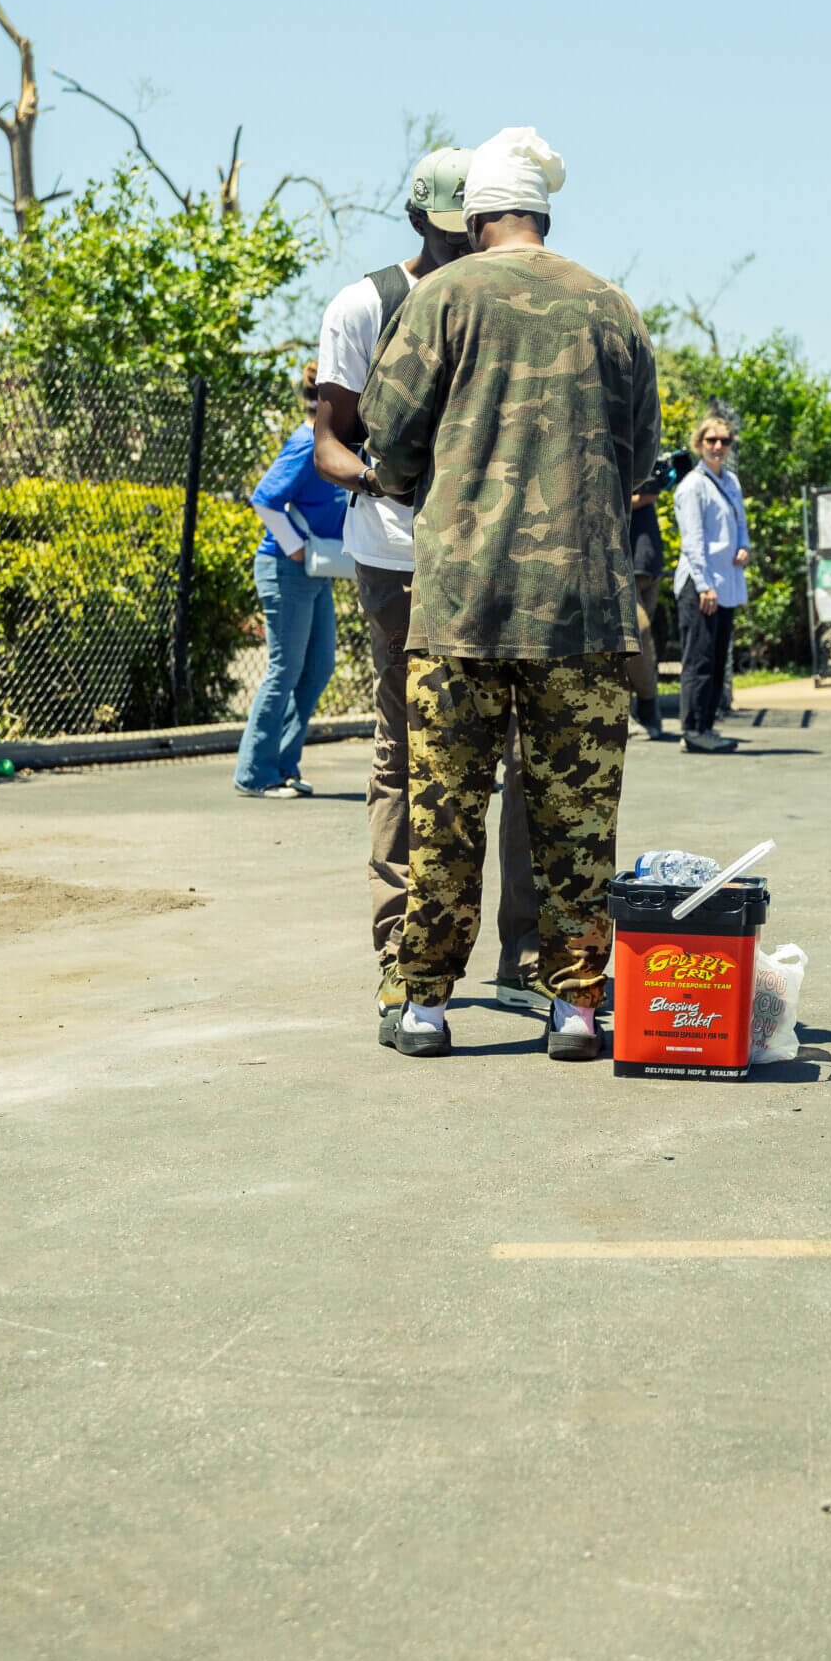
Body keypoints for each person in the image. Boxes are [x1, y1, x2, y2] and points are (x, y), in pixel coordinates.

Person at [360, 125, 660, 1064]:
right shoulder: (611, 307)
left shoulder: (443, 298)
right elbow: (638, 453)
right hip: (583, 610)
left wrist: (433, 481)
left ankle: (423, 1007)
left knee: (444, 809)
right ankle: (575, 1007)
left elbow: (389, 437)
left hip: (460, 609)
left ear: (478, 215)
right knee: (576, 819)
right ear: (541, 212)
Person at [311, 146, 542, 1046]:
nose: (469, 247)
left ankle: (526, 959)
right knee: (408, 754)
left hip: (499, 561)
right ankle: (399, 957)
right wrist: (386, 480)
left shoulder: (509, 299)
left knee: (528, 752)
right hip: (401, 560)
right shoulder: (365, 304)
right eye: (453, 234)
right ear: (419, 224)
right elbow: (329, 440)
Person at [233, 363, 345, 800]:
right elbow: (264, 498)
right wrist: (297, 548)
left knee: (318, 667)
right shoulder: (305, 443)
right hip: (286, 569)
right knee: (285, 670)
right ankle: (254, 774)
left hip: (315, 573)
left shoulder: (331, 442)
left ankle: (281, 764)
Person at [672, 409, 750, 754]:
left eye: (724, 441)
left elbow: (741, 523)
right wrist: (704, 585)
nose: (718, 446)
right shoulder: (693, 486)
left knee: (718, 659)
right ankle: (692, 729)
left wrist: (744, 547)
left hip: (726, 582)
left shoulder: (731, 482)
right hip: (700, 585)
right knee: (699, 659)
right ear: (699, 444)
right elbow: (693, 541)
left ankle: (707, 726)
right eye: (711, 440)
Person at [627, 478, 666, 738]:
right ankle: (643, 704)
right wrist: (639, 499)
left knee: (644, 644)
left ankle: (644, 709)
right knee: (636, 632)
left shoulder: (644, 449)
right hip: (619, 561)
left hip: (648, 561)